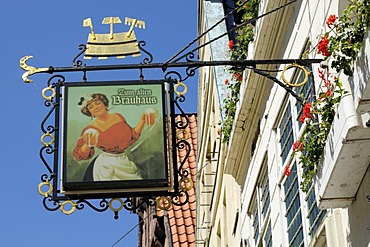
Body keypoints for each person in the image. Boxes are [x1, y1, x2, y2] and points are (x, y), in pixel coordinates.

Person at [73, 93, 152, 182]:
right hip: (106, 166)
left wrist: (143, 120)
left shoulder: (118, 116)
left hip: (124, 161)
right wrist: (88, 144)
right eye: (91, 107)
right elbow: (79, 154)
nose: (96, 107)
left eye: (97, 103)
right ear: (89, 113)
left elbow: (132, 137)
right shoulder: (90, 129)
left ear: (104, 103)